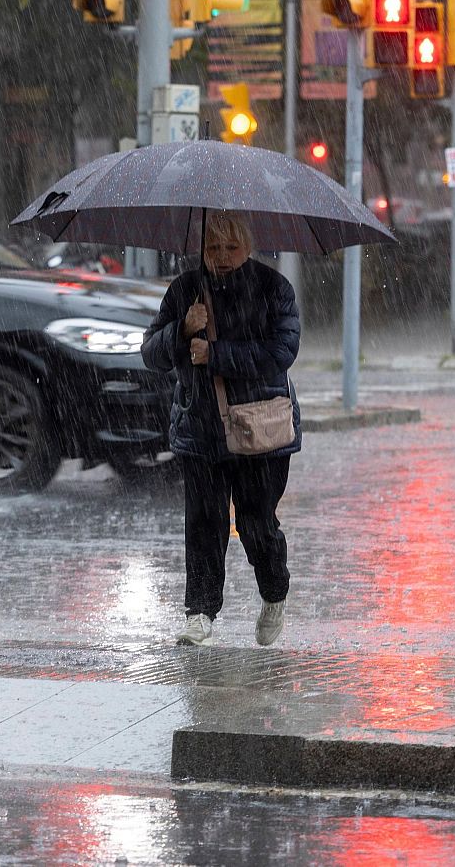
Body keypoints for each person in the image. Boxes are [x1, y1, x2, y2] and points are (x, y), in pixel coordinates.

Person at [141, 211, 301, 647]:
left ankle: (274, 593)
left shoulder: (273, 288)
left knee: (256, 525)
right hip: (201, 430)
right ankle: (200, 612)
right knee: (204, 525)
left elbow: (281, 351)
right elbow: (151, 353)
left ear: (247, 246)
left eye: (231, 247)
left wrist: (216, 354)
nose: (222, 257)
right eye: (213, 248)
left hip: (259, 432)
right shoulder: (184, 290)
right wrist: (181, 330)